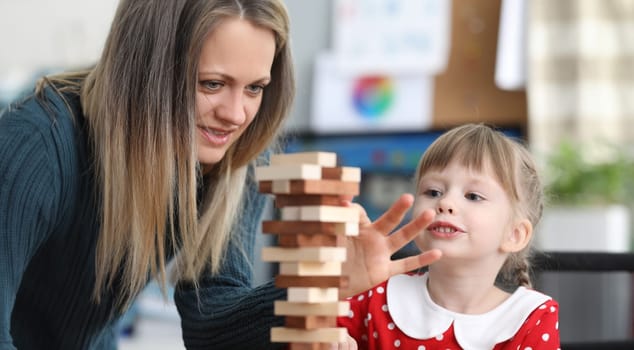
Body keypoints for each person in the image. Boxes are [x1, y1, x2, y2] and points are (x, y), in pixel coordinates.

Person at [0, 1, 441, 349]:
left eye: (255, 88)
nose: (236, 115)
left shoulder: (236, 151)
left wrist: (321, 286)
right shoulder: (35, 145)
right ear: (145, 73)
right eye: (211, 83)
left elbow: (210, 322)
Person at [338, 124, 561, 350]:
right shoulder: (376, 293)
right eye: (433, 192)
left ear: (514, 235)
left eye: (473, 196)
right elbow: (308, 333)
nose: (445, 203)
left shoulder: (532, 317)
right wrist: (334, 288)